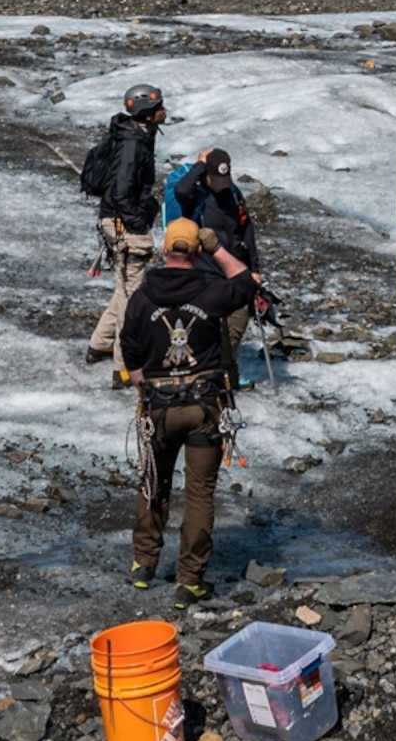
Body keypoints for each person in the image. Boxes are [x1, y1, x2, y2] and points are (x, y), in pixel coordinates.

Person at [119, 217, 259, 600]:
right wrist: (217, 249)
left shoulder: (142, 297)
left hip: (158, 409)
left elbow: (130, 348)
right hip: (204, 409)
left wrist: (140, 378)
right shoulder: (210, 292)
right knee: (199, 494)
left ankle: (144, 564)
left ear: (165, 251)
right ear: (197, 252)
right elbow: (248, 283)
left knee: (153, 483)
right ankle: (189, 579)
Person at [84, 84, 167, 365]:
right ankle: (125, 366)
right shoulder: (133, 143)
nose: (164, 112)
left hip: (115, 220)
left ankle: (100, 344)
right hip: (123, 224)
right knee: (134, 295)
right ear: (146, 114)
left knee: (125, 288)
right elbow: (121, 191)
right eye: (159, 109)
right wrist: (139, 223)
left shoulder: (136, 135)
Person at [168, 147, 263, 384]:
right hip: (205, 271)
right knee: (207, 326)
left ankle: (226, 370)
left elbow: (246, 229)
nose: (222, 184)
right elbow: (181, 189)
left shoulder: (233, 193)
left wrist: (254, 268)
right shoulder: (195, 195)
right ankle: (214, 373)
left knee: (237, 323)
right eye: (216, 179)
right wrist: (200, 165)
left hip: (234, 268)